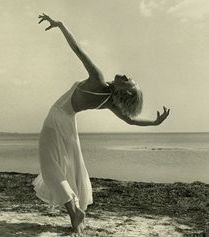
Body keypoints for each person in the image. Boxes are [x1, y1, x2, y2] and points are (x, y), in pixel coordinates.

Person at [33, 13, 170, 234]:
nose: (124, 75)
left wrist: (61, 25)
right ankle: (75, 215)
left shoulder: (97, 79)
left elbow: (77, 50)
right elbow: (131, 121)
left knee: (51, 168)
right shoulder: (110, 102)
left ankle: (75, 212)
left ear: (123, 90)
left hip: (58, 117)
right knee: (65, 169)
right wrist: (154, 123)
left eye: (127, 79)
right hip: (69, 124)